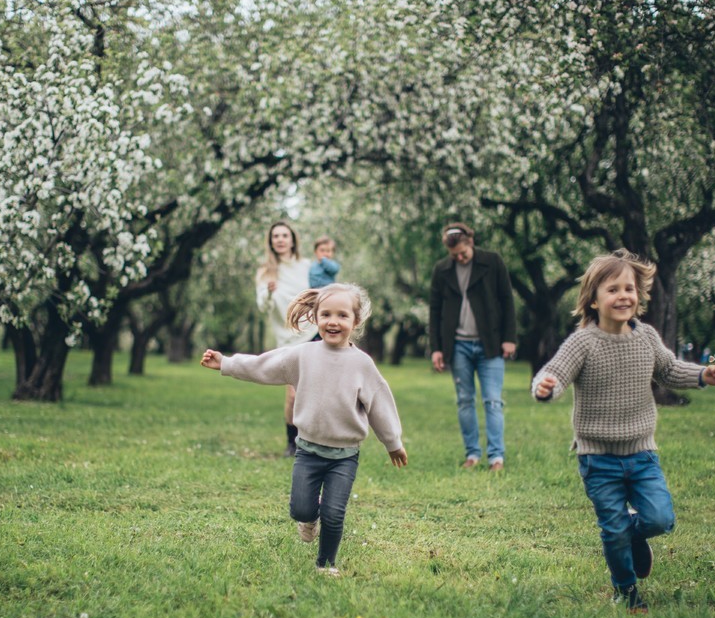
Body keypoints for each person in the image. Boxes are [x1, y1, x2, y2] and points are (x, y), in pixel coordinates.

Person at [531, 249, 715, 613]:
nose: (623, 296)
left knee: (660, 518)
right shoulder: (583, 343)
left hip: (641, 454)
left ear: (638, 295)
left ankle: (636, 538)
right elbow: (555, 373)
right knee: (613, 529)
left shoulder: (647, 338)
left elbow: (669, 370)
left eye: (629, 288)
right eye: (613, 289)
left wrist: (702, 374)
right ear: (593, 299)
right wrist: (546, 387)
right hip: (597, 458)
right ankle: (626, 590)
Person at [201, 283, 408, 576]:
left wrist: (393, 442)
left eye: (342, 315)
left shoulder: (362, 364)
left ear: (355, 321)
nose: (333, 321)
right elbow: (263, 365)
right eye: (326, 314)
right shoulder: (303, 355)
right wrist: (226, 363)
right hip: (308, 452)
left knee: (334, 514)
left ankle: (326, 564)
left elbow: (380, 405)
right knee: (301, 509)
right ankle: (308, 518)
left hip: (344, 456)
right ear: (315, 318)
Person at [428, 222, 517, 471]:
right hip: (458, 346)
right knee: (465, 400)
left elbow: (507, 300)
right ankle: (472, 454)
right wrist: (436, 348)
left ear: (471, 242)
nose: (460, 258)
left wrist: (509, 338)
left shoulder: (492, 262)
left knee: (492, 400)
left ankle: (496, 457)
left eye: (463, 253)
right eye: (454, 255)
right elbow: (434, 310)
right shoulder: (443, 270)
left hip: (491, 343)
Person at [255, 221, 316, 456]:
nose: (280, 239)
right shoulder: (265, 272)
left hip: (313, 333)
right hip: (288, 338)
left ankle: (313, 441)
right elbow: (262, 305)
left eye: (284, 235)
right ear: (271, 241)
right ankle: (292, 443)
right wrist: (269, 292)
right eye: (276, 236)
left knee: (314, 391)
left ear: (292, 240)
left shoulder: (306, 266)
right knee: (293, 393)